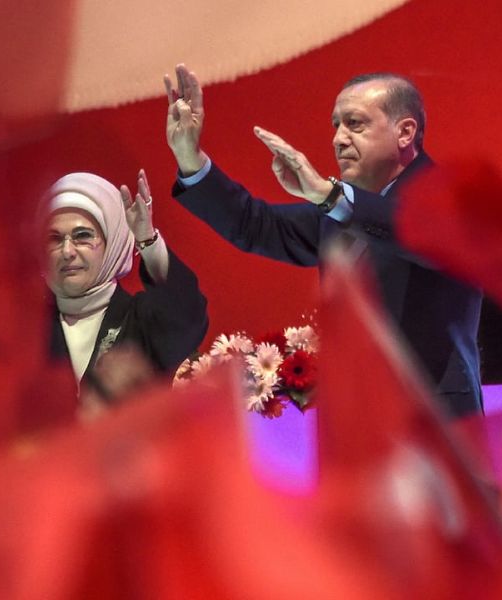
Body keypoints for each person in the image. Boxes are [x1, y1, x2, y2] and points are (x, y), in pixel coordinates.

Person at [163, 64, 483, 418]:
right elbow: (255, 225)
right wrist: (190, 159)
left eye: (355, 124)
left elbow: (415, 232)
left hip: (434, 421)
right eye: (336, 125)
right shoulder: (342, 209)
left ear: (405, 132)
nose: (338, 139)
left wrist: (331, 198)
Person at [41, 169, 208, 415]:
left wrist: (148, 241)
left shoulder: (142, 320)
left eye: (82, 236)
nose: (67, 251)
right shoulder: (29, 329)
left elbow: (187, 319)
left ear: (112, 242)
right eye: (54, 239)